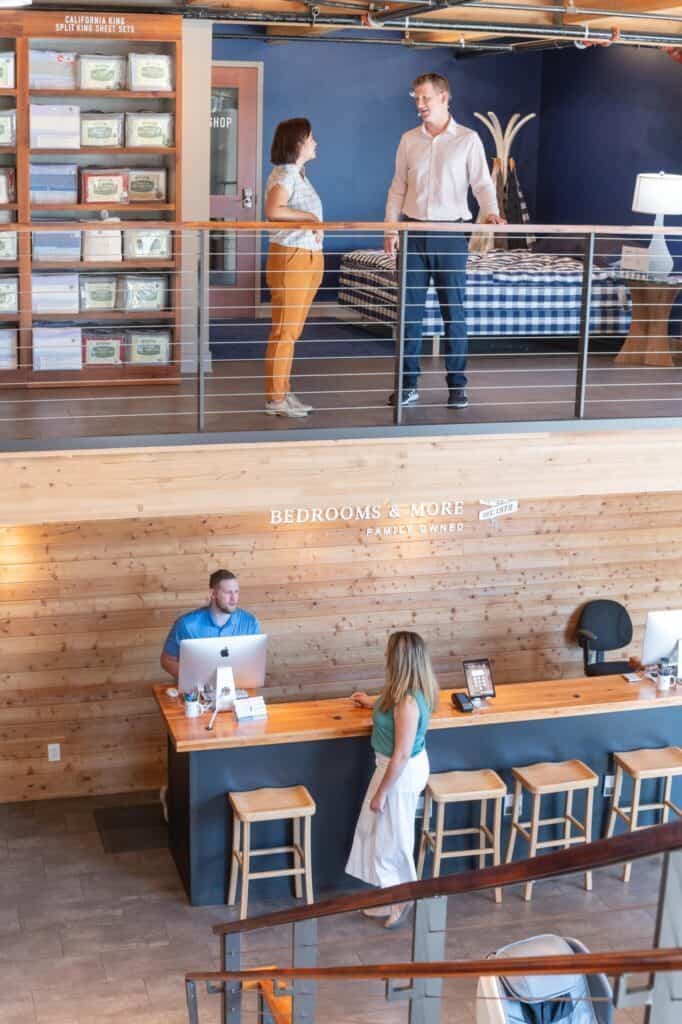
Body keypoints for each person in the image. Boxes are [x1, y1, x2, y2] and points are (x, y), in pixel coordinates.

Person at [384, 72, 506, 411]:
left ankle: (457, 386)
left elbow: (482, 183)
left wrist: (492, 212)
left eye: (425, 98)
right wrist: (391, 230)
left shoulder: (467, 139)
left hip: (451, 234)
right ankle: (407, 386)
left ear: (443, 98)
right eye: (416, 98)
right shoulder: (409, 140)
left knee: (454, 313)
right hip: (412, 234)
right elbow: (397, 188)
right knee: (408, 315)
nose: (419, 104)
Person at [346, 631, 439, 929]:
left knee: (395, 841)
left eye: (389, 652)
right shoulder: (401, 693)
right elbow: (390, 709)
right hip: (392, 769)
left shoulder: (408, 703)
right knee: (378, 835)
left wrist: (381, 794)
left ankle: (404, 899)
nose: (385, 656)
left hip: (399, 774)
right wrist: (369, 702)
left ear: (398, 660)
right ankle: (390, 895)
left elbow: (400, 755)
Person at [264, 117, 324, 419]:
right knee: (285, 330)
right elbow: (273, 211)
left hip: (308, 256)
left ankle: (283, 392)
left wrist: (314, 225)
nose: (315, 143)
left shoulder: (298, 174)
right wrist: (311, 220)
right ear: (297, 142)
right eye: (311, 138)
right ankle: (276, 398)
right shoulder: (286, 173)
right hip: (292, 258)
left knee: (292, 330)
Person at [160, 569, 260, 681]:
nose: (234, 598)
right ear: (213, 594)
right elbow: (167, 661)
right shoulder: (187, 625)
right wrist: (193, 680)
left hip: (239, 689)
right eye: (228, 592)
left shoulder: (250, 623)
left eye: (236, 592)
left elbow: (254, 663)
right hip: (197, 692)